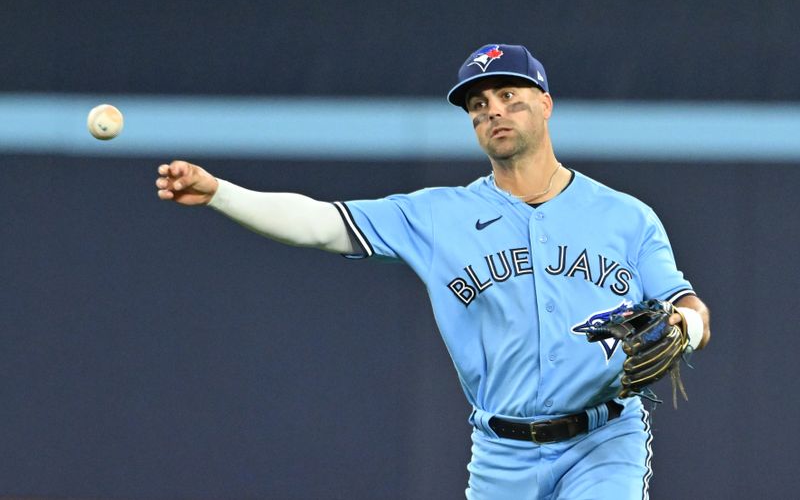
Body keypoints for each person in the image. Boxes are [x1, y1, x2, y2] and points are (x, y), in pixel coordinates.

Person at [155, 43, 711, 500]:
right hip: (502, 453)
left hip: (602, 443)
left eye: (509, 96)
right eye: (478, 103)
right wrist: (221, 194)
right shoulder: (437, 215)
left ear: (545, 104)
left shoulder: (626, 216)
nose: (493, 110)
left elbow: (687, 305)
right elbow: (321, 223)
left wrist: (685, 331)